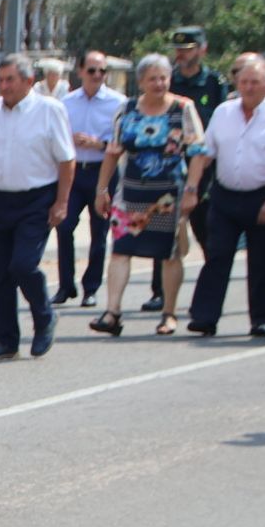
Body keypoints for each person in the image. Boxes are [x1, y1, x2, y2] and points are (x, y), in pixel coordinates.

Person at [0, 54, 76, 360]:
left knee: (23, 264)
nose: (4, 86)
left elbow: (67, 160)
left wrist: (62, 202)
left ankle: (44, 316)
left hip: (36, 199)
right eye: (0, 80)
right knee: (0, 273)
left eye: (10, 80)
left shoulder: (49, 110)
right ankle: (5, 341)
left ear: (28, 81)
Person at [87, 54, 206, 337]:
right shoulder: (127, 109)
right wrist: (102, 190)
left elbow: (198, 152)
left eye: (163, 77)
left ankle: (169, 313)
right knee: (120, 250)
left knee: (169, 253)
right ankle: (112, 312)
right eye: (152, 78)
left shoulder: (182, 108)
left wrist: (191, 189)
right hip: (130, 192)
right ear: (140, 81)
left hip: (168, 194)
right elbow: (113, 151)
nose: (158, 83)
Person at [184, 54, 265, 338]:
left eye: (255, 82)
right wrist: (191, 186)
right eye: (244, 81)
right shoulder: (223, 112)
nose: (248, 87)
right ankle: (204, 317)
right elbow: (206, 152)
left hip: (263, 194)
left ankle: (261, 319)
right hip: (224, 195)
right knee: (217, 254)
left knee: (263, 260)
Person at [143, 25, 226, 310]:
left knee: (208, 235)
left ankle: (208, 296)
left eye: (188, 49)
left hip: (202, 170)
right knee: (163, 232)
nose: (182, 55)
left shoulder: (214, 83)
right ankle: (160, 293)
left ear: (202, 50)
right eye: (178, 49)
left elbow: (220, 124)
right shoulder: (169, 82)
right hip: (168, 171)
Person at [55, 50, 126, 308]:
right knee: (64, 226)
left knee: (99, 232)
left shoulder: (118, 102)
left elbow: (123, 140)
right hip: (74, 171)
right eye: (92, 70)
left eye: (102, 71)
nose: (97, 75)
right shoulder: (67, 102)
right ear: (80, 71)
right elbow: (57, 134)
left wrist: (99, 144)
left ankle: (91, 288)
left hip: (102, 170)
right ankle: (65, 285)